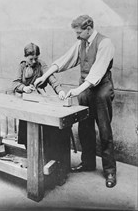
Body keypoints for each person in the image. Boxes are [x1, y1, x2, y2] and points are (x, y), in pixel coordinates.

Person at [34, 15, 117, 188]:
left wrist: (76, 91)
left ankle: (110, 171)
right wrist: (44, 75)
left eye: (79, 33)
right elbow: (65, 60)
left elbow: (97, 72)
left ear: (89, 29)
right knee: (85, 128)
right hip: (85, 92)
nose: (77, 36)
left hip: (101, 90)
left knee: (104, 130)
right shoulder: (81, 43)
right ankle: (88, 163)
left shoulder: (105, 43)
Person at [12, 42, 65, 148]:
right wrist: (24, 88)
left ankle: (45, 151)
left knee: (45, 124)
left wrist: (60, 91)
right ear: (25, 57)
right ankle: (29, 151)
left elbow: (51, 78)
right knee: (26, 127)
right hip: (25, 101)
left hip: (39, 100)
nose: (34, 61)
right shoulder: (22, 66)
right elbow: (15, 83)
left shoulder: (41, 65)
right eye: (31, 59)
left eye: (36, 58)